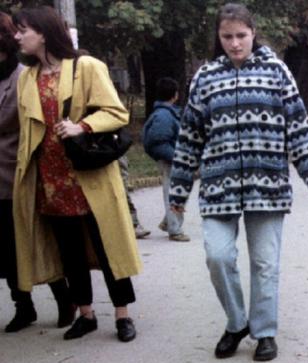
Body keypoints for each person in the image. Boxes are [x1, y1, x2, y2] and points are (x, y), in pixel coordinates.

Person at [169, 3, 308, 362]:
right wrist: (177, 191)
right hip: (218, 186)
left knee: (265, 263)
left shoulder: (276, 71)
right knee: (218, 256)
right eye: (227, 37)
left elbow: (298, 125)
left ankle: (265, 331)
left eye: (241, 35)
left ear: (253, 33)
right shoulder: (205, 77)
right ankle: (237, 322)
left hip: (267, 185)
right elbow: (189, 137)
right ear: (218, 38)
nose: (235, 43)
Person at [13, 6, 141, 343]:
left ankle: (123, 315)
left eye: (22, 29)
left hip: (88, 175)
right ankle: (85, 314)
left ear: (42, 32)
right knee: (69, 251)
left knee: (107, 245)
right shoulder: (28, 76)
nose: (17, 36)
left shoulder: (86, 67)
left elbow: (117, 112)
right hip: (50, 180)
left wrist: (82, 125)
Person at [0, 11, 72, 333]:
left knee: (39, 239)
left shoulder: (23, 78)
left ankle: (64, 298)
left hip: (20, 173)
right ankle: (23, 305)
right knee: (5, 247)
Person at [141, 76, 189, 241]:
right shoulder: (164, 115)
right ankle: (174, 230)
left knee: (179, 192)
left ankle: (168, 222)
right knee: (173, 194)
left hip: (172, 158)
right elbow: (158, 141)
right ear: (175, 95)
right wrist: (176, 158)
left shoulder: (165, 113)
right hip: (171, 160)